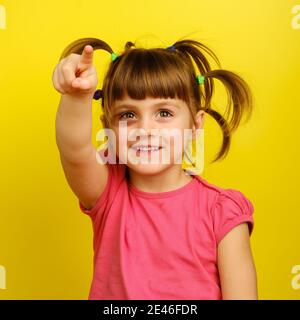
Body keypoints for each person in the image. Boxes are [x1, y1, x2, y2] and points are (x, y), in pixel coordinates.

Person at [52, 37, 257, 300]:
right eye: (128, 115)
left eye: (164, 113)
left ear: (195, 125)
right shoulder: (107, 193)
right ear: (108, 128)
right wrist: (77, 95)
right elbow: (75, 150)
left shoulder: (222, 213)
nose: (145, 129)